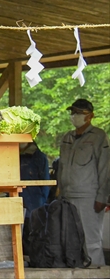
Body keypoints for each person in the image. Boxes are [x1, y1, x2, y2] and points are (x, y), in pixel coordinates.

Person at [57, 98, 110, 266]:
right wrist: (60, 193)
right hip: (67, 197)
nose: (74, 116)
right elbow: (61, 168)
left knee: (91, 242)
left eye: (79, 113)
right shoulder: (67, 137)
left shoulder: (98, 136)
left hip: (89, 197)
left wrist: (102, 196)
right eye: (72, 112)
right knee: (70, 241)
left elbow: (105, 168)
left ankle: (96, 272)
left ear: (90, 116)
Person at [18, 141, 50, 255]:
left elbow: (45, 184)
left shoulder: (38, 157)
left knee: (32, 237)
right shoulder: (14, 154)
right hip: (18, 203)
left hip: (34, 205)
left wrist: (40, 205)